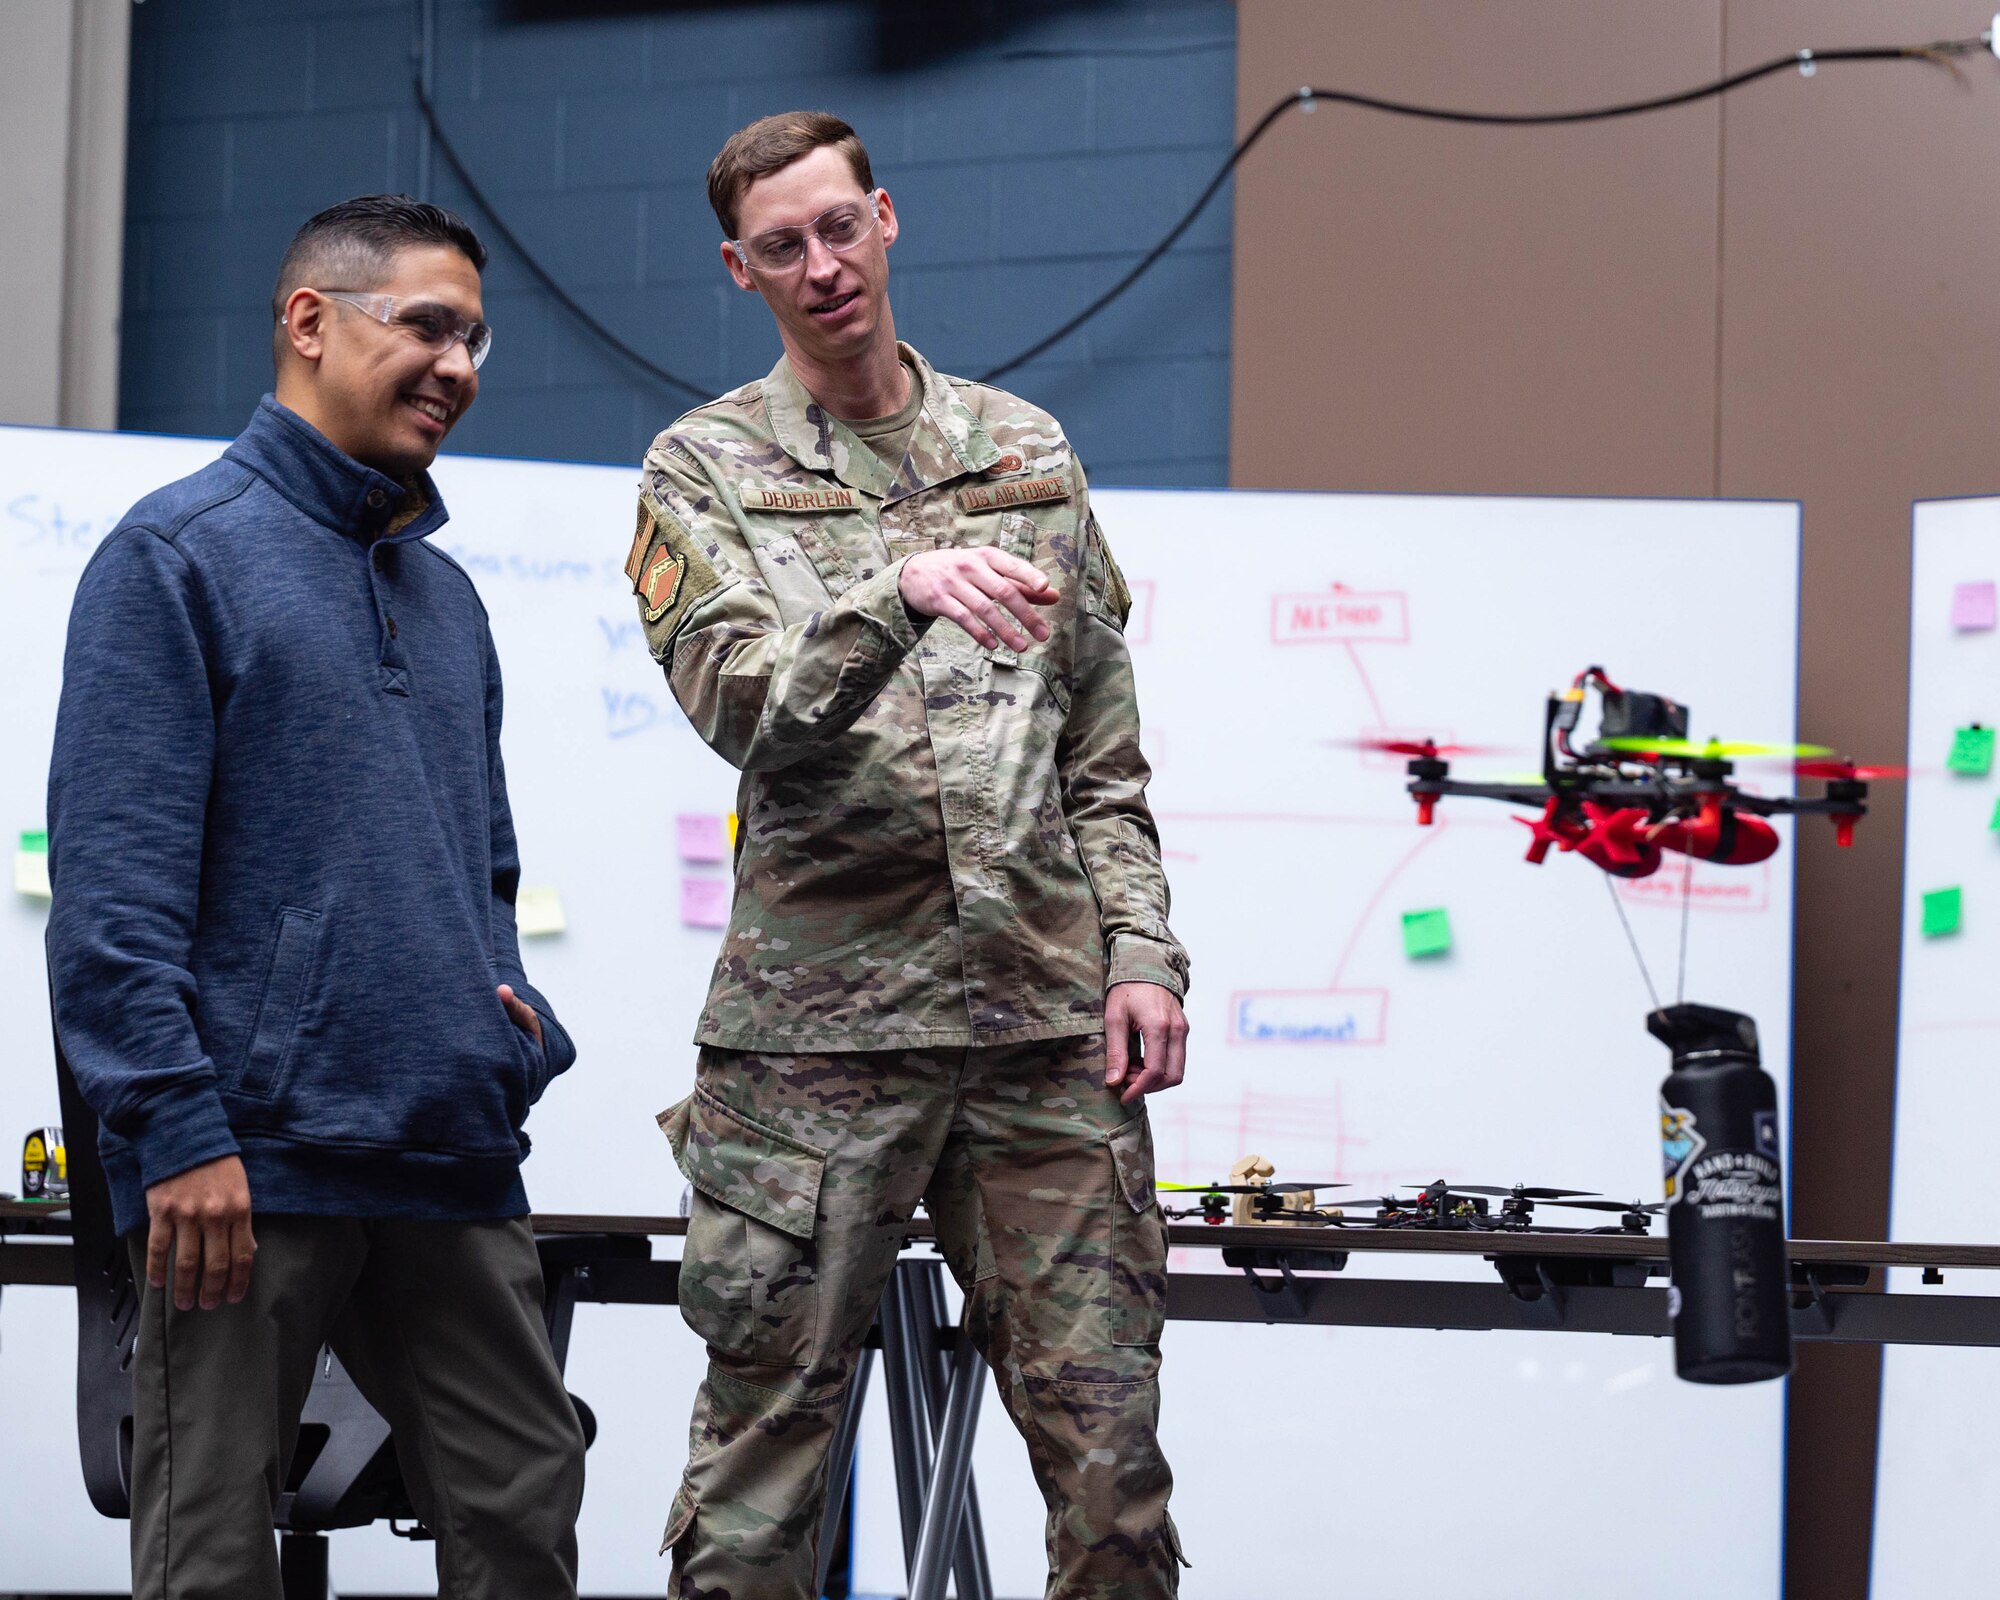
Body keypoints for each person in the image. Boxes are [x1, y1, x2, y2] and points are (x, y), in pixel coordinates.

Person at [629, 112, 1191, 1598]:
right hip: (819, 1046)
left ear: (884, 219)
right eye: (782, 248)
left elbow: (1101, 755)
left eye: (839, 228)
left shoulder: (1026, 452)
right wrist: (897, 591)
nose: (822, 267)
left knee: (1115, 1482)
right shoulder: (703, 468)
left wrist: (1142, 952)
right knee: (761, 1482)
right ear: (740, 271)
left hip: (1042, 1034)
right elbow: (741, 706)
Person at [46, 194, 585, 1600]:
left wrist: (508, 1037)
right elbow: (112, 896)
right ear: (309, 322)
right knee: (212, 1549)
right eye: (429, 327)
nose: (458, 366)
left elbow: (484, 870)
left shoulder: (448, 599)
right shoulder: (176, 556)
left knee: (525, 1508)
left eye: (475, 340)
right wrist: (174, 1131)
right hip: (244, 1168)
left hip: (446, 1153)